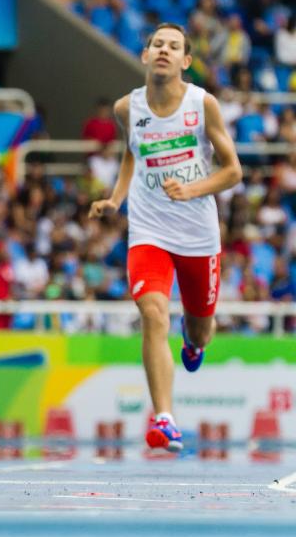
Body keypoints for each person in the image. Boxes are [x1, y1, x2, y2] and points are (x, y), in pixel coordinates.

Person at [89, 23, 243, 453]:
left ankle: (194, 344)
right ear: (145, 55)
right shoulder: (127, 108)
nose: (164, 50)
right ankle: (164, 418)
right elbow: (130, 155)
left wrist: (191, 190)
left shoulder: (202, 104)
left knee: (200, 330)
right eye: (158, 44)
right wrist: (116, 200)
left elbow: (233, 170)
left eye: (174, 47)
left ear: (185, 61)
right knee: (154, 313)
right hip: (149, 231)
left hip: (197, 234)